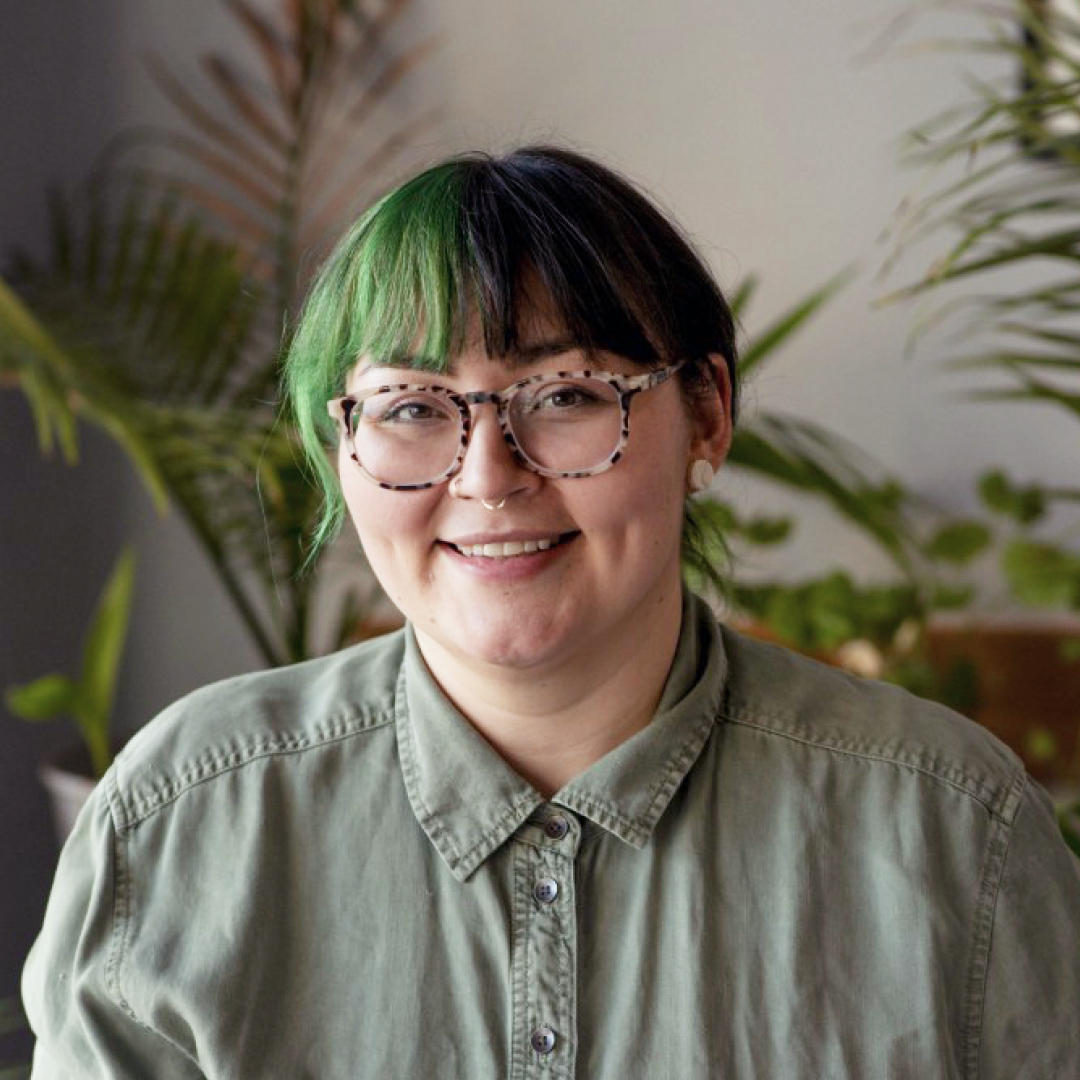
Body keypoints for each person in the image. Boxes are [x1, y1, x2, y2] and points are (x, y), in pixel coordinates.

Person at [22, 146, 1080, 1078]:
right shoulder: (178, 828)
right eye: (408, 408)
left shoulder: (954, 839)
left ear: (706, 414)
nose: (488, 477)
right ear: (338, 449)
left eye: (567, 395)